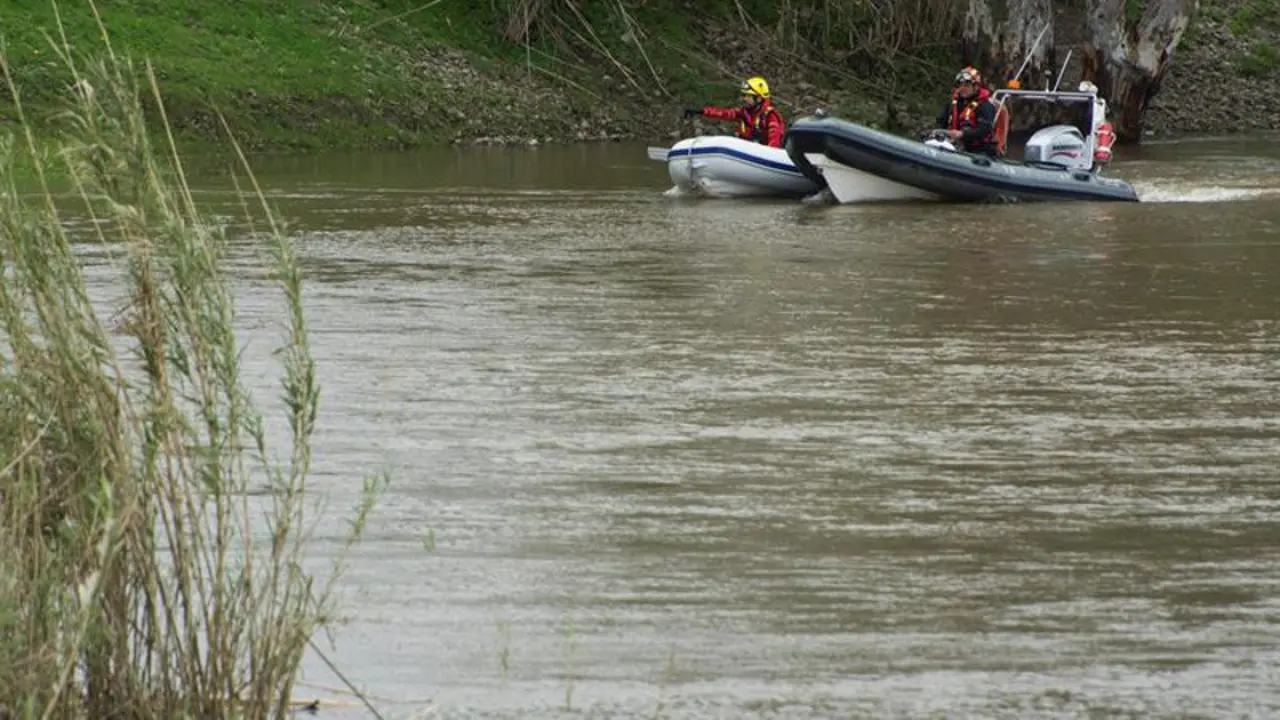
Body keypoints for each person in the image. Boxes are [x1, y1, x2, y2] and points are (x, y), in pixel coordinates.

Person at [683, 76, 786, 148]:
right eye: (744, 95)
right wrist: (701, 111)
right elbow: (723, 113)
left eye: (748, 96)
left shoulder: (771, 116)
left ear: (759, 98)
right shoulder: (744, 113)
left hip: (762, 157)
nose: (745, 99)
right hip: (747, 152)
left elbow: (774, 143)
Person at [937, 66, 1000, 157]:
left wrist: (962, 134)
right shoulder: (952, 102)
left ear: (976, 86)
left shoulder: (985, 106)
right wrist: (938, 132)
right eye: (960, 85)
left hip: (978, 150)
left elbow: (984, 130)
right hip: (953, 145)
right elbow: (941, 121)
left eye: (966, 85)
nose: (962, 88)